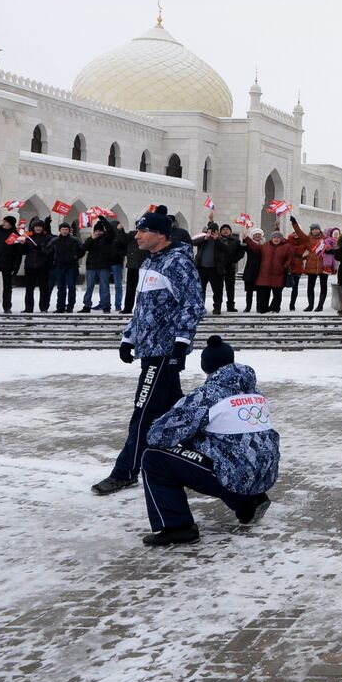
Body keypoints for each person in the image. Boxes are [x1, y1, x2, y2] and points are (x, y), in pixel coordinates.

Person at [91, 205, 205, 496]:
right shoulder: (149, 263)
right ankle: (213, 460)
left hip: (164, 352)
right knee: (179, 414)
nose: (137, 235)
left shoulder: (177, 263)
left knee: (143, 414)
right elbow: (142, 308)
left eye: (143, 230)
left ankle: (125, 471)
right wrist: (129, 338)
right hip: (149, 348)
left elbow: (192, 304)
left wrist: (181, 343)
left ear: (161, 235)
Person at [139, 335, 279, 545]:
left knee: (154, 457)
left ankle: (177, 526)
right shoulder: (255, 392)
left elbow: (158, 434)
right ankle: (249, 502)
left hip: (237, 474)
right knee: (224, 450)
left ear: (206, 367)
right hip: (265, 474)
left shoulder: (206, 396)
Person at [247, 229, 293, 313]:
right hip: (265, 274)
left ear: (281, 239)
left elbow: (289, 259)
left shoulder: (287, 246)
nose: (276, 239)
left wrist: (284, 267)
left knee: (277, 294)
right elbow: (256, 248)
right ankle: (263, 309)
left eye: (278, 238)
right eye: (274, 237)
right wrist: (247, 239)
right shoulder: (265, 245)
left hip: (279, 274)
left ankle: (275, 308)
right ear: (271, 238)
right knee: (264, 293)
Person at [292, 220, 330, 312]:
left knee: (323, 286)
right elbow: (299, 233)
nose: (315, 231)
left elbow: (331, 248)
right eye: (313, 229)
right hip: (311, 265)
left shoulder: (325, 239)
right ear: (311, 230)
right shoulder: (307, 239)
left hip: (323, 265)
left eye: (317, 229)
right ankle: (310, 305)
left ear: (319, 230)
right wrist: (294, 224)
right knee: (310, 286)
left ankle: (320, 306)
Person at [80, 216, 115, 313]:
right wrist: (91, 238)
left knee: (104, 286)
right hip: (91, 266)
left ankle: (106, 306)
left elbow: (111, 232)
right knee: (89, 286)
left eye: (100, 231)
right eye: (96, 231)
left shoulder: (107, 238)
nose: (98, 232)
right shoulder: (90, 239)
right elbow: (84, 248)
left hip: (104, 266)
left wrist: (105, 221)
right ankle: (87, 306)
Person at [19, 217, 54, 313]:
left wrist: (42, 249)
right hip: (30, 265)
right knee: (29, 288)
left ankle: (44, 307)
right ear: (33, 228)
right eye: (36, 227)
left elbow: (50, 251)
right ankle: (28, 308)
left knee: (44, 288)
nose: (38, 228)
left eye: (40, 227)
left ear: (43, 228)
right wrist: (22, 244)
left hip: (43, 266)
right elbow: (23, 252)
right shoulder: (28, 237)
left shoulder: (48, 238)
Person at [48, 222, 84, 313]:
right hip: (59, 266)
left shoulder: (75, 240)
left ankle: (70, 306)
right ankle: (60, 306)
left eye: (66, 229)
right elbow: (47, 250)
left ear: (69, 230)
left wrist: (76, 256)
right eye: (63, 229)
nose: (64, 231)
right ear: (60, 230)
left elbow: (82, 250)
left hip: (72, 266)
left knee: (71, 287)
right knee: (61, 287)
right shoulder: (55, 240)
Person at [191, 222, 225, 312]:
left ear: (218, 231)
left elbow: (225, 248)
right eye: (211, 230)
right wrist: (205, 238)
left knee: (217, 290)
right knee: (201, 289)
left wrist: (217, 239)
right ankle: (200, 307)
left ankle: (217, 308)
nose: (213, 232)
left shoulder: (221, 239)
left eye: (215, 230)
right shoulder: (203, 238)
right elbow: (193, 242)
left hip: (216, 269)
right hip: (202, 268)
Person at [120, 224, 147, 314]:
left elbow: (123, 239)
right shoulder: (133, 234)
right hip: (136, 266)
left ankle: (130, 308)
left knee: (135, 289)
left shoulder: (144, 235)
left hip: (140, 266)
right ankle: (129, 308)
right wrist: (121, 230)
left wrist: (121, 230)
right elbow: (123, 239)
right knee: (133, 289)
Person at [217, 225, 243, 312]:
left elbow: (241, 253)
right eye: (223, 229)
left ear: (230, 231)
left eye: (227, 229)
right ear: (220, 231)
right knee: (218, 287)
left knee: (230, 287)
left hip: (230, 266)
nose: (225, 231)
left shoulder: (236, 241)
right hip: (219, 266)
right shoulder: (217, 240)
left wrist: (234, 260)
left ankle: (230, 305)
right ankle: (217, 305)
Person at [241, 227, 264, 313]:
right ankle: (248, 307)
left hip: (260, 271)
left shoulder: (264, 244)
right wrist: (244, 239)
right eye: (256, 234)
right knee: (249, 291)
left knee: (260, 292)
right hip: (250, 270)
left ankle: (259, 307)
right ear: (253, 236)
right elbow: (244, 247)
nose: (257, 236)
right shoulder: (249, 244)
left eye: (259, 234)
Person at [106, 219, 127, 310]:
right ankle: (106, 304)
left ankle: (118, 304)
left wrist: (119, 254)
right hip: (106, 263)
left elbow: (126, 248)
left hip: (117, 263)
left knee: (118, 285)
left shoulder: (121, 236)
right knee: (104, 285)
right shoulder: (107, 237)